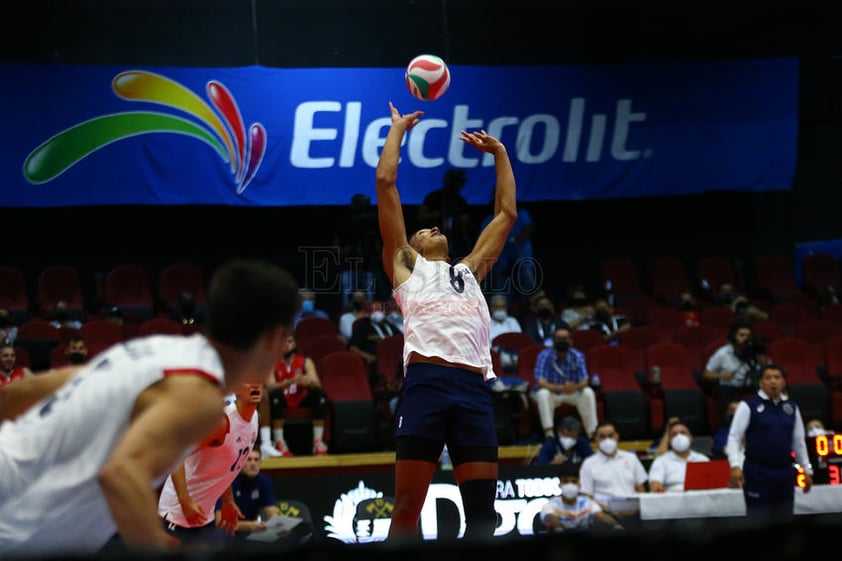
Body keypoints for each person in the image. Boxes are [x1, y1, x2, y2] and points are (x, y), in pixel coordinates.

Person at [0, 259, 299, 556]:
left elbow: (24, 392)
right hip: (16, 524)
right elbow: (119, 472)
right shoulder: (201, 397)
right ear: (274, 337)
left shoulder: (159, 351)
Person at [375, 101, 517, 541]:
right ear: (411, 247)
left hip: (473, 389)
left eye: (435, 228)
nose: (432, 228)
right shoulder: (405, 268)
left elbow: (506, 214)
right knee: (406, 508)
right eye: (422, 231)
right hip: (427, 384)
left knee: (481, 516)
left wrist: (501, 155)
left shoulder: (470, 269)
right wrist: (397, 129)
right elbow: (385, 182)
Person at [157, 382, 263, 547]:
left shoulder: (255, 418)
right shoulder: (221, 423)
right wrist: (185, 501)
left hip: (204, 516)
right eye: (248, 381)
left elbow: (224, 466)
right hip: (177, 513)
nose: (255, 385)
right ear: (236, 389)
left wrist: (228, 501)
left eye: (258, 380)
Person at [726, 363, 813, 522]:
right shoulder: (748, 406)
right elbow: (734, 437)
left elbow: (798, 441)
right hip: (757, 472)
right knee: (759, 522)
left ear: (783, 382)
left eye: (777, 378)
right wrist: (735, 465)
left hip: (785, 472)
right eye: (768, 378)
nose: (773, 382)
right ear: (761, 383)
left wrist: (806, 469)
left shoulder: (791, 407)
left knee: (785, 521)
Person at [259, 334, 329, 457]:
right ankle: (279, 442)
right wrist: (290, 381)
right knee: (274, 396)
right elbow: (269, 386)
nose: (286, 344)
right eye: (283, 342)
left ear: (295, 344)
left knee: (320, 395)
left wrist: (309, 381)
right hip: (282, 398)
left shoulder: (306, 362)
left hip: (300, 397)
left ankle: (317, 442)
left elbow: (318, 384)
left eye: (289, 341)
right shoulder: (272, 362)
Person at [531, 325, 599, 439]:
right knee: (542, 394)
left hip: (572, 392)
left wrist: (575, 387)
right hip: (553, 393)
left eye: (565, 338)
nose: (562, 341)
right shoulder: (544, 355)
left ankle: (592, 433)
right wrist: (561, 388)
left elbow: (584, 381)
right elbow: (541, 382)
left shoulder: (577, 355)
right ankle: (549, 434)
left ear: (571, 341)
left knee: (588, 392)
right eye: (558, 339)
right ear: (553, 341)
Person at [578, 420, 647, 520]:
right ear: (596, 439)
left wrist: (636, 509)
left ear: (617, 436)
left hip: (633, 511)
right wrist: (606, 509)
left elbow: (641, 489)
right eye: (602, 436)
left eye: (610, 436)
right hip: (604, 513)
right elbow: (587, 496)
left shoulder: (631, 458)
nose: (607, 440)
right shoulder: (588, 464)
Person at [703, 320, 768, 425]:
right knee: (722, 390)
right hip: (728, 386)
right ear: (734, 336)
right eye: (741, 335)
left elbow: (767, 369)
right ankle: (727, 425)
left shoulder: (755, 351)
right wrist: (721, 376)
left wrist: (760, 355)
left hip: (749, 384)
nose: (745, 338)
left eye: (748, 335)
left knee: (770, 386)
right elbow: (706, 374)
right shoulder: (723, 353)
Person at [332, 193, 390, 307]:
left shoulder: (372, 222)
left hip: (368, 265)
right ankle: (347, 316)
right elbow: (336, 244)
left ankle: (368, 316)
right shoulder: (346, 222)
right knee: (348, 295)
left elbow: (378, 242)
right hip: (348, 265)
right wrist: (344, 251)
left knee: (368, 295)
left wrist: (377, 255)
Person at [215, 449, 279, 541]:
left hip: (253, 528)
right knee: (220, 536)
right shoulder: (227, 482)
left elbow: (271, 512)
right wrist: (248, 526)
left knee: (287, 537)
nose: (253, 464)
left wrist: (279, 527)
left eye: (256, 460)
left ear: (261, 463)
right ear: (240, 463)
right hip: (228, 530)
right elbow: (220, 523)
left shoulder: (263, 481)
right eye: (248, 460)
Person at [539, 462, 622, 533]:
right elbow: (550, 517)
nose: (570, 485)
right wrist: (559, 528)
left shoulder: (587, 503)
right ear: (559, 484)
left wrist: (617, 526)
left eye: (574, 481)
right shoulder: (551, 504)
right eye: (566, 481)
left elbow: (600, 515)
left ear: (580, 484)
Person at [415, 167, 473, 261]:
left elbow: (465, 223)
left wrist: (457, 217)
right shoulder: (433, 197)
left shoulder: (460, 201)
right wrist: (436, 215)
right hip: (432, 242)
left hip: (455, 241)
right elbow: (420, 215)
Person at [647, 420, 710, 492]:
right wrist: (659, 489)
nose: (679, 437)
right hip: (672, 500)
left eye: (683, 433)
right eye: (674, 434)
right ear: (670, 441)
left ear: (691, 438)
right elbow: (655, 486)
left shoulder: (703, 459)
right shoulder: (660, 461)